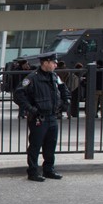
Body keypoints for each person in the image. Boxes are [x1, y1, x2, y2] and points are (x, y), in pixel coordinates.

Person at [13, 52, 71, 182]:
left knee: (51, 145)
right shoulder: (32, 78)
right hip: (39, 117)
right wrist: (31, 109)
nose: (56, 65)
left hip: (52, 116)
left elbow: (64, 90)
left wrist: (65, 103)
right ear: (45, 63)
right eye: (53, 62)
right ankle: (33, 172)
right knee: (35, 145)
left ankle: (48, 169)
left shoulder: (55, 77)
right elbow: (18, 94)